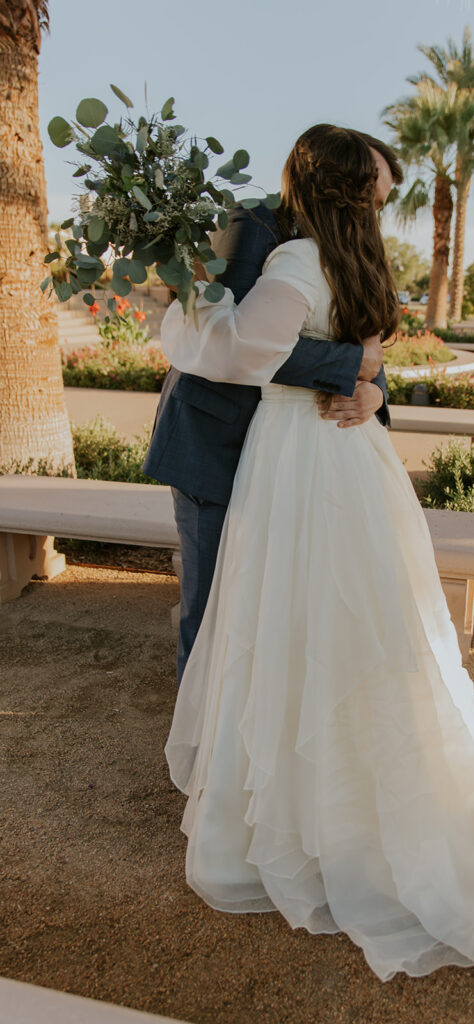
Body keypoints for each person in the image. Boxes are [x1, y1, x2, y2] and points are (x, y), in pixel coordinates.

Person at [161, 124, 474, 1000]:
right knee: (306, 614)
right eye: (381, 192)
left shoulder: (294, 257)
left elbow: (244, 350)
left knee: (266, 612)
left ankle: (267, 787)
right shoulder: (322, 251)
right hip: (311, 462)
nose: (386, 204)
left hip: (296, 460)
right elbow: (344, 346)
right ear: (350, 193)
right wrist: (353, 368)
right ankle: (260, 769)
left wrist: (183, 307)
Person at [142, 131, 403, 683]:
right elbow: (235, 346)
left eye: (379, 203)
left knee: (278, 608)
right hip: (216, 446)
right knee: (213, 608)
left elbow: (365, 339)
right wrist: (348, 363)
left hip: (294, 458)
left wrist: (376, 389)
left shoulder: (348, 245)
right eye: (370, 196)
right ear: (340, 177)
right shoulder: (252, 223)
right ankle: (206, 748)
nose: (374, 212)